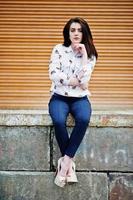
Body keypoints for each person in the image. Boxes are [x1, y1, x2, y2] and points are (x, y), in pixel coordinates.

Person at [48, 17, 98, 188]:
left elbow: (85, 80)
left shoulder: (90, 54)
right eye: (72, 30)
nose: (76, 33)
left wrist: (84, 55)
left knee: (83, 119)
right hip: (59, 97)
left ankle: (65, 164)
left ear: (84, 33)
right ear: (67, 33)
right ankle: (69, 166)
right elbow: (53, 74)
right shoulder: (58, 49)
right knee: (59, 120)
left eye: (79, 30)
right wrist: (74, 81)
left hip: (80, 98)